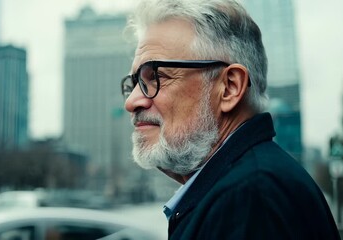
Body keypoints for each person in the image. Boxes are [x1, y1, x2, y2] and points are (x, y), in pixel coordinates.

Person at [120, 0, 340, 239]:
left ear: (229, 88)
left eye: (157, 76)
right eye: (134, 83)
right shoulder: (246, 187)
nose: (131, 102)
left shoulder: (250, 198)